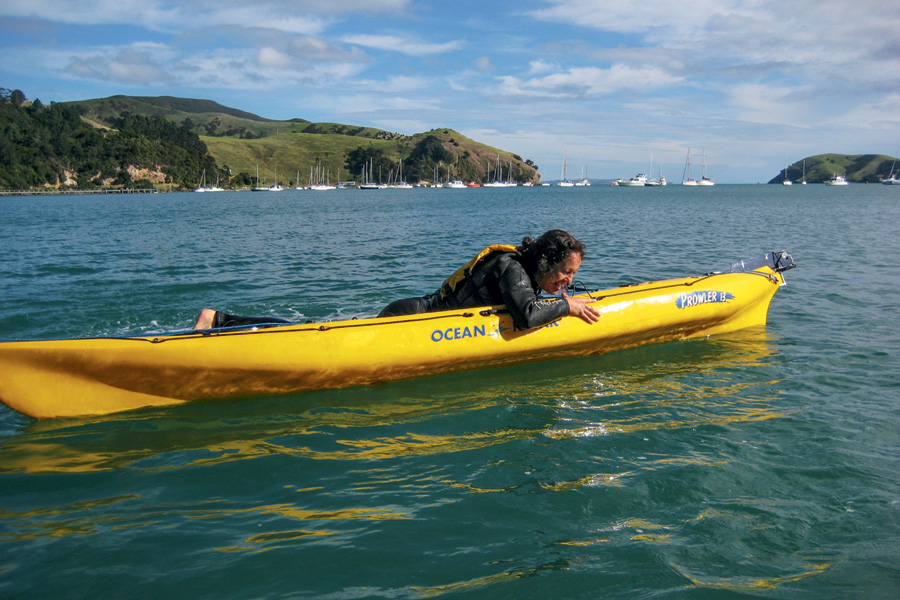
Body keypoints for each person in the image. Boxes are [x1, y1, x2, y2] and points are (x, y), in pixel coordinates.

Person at [193, 229, 600, 330]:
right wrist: (568, 307)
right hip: (410, 320)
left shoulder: (528, 272)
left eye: (572, 277)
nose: (567, 282)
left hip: (415, 313)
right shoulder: (510, 267)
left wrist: (569, 297)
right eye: (566, 273)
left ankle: (220, 322)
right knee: (318, 337)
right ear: (545, 262)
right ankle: (220, 322)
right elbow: (527, 315)